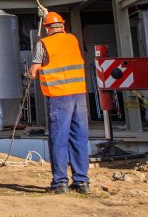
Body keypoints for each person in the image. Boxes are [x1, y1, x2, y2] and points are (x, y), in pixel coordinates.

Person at [28, 11, 90, 195]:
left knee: (59, 139)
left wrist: (30, 73)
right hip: (79, 96)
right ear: (62, 26)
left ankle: (60, 183)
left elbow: (34, 70)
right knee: (79, 139)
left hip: (59, 97)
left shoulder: (43, 43)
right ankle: (82, 182)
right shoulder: (72, 39)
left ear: (47, 28)